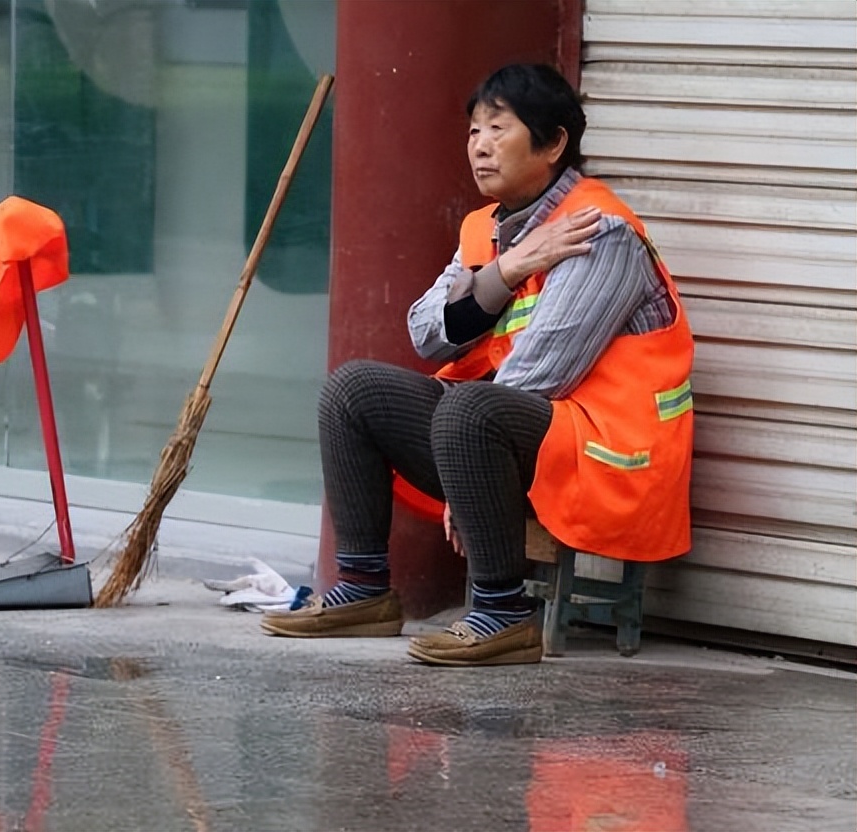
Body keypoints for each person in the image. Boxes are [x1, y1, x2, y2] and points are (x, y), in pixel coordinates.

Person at [261, 63, 695, 666]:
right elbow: (426, 334)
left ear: (553, 144)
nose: (480, 145)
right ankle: (363, 589)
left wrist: (464, 466)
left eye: (499, 128)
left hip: (606, 460)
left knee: (469, 407)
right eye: (473, 131)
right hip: (518, 439)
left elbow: (544, 370)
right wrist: (507, 270)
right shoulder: (488, 229)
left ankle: (502, 613)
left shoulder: (601, 231)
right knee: (353, 390)